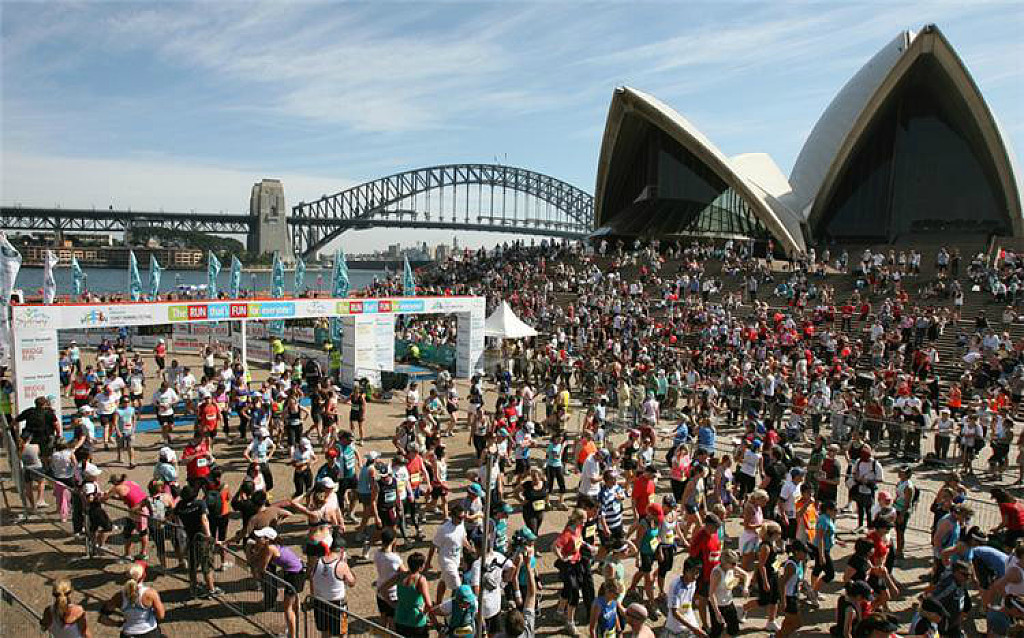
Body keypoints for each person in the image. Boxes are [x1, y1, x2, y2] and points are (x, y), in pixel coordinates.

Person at [250, 527, 304, 638]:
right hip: (297, 572)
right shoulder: (272, 546)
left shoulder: (270, 548)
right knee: (293, 605)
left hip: (294, 576)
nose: (256, 539)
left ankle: (292, 635)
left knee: (288, 608)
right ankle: (292, 630)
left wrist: (255, 565)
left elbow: (262, 567)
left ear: (267, 539)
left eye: (260, 537)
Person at [310, 529, 356, 638]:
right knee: (343, 632)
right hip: (338, 605)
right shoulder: (341, 565)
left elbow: (311, 578)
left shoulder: (317, 561)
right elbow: (352, 582)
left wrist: (313, 595)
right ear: (342, 551)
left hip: (320, 603)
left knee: (325, 633)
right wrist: (346, 566)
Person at [99, 563, 165, 638]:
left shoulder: (118, 596)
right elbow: (161, 615)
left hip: (128, 634)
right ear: (143, 576)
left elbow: (103, 619)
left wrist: (118, 624)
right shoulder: (150, 593)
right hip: (149, 632)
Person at [708, 549, 751, 638]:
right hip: (717, 605)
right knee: (717, 631)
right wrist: (717, 612)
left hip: (728, 602)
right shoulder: (717, 573)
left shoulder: (731, 567)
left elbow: (746, 575)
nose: (735, 565)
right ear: (725, 563)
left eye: (736, 563)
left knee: (734, 628)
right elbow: (711, 594)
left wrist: (745, 588)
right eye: (733, 563)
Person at [663, 556, 705, 638]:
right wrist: (694, 629)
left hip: (689, 622)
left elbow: (688, 603)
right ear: (686, 571)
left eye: (697, 573)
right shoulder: (676, 587)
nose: (695, 576)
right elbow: (675, 613)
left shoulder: (693, 582)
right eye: (693, 572)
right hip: (676, 629)